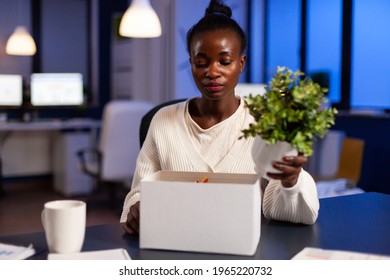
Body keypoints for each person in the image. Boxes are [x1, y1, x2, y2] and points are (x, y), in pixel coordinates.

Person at [120, 0, 319, 235]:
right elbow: (139, 191)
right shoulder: (163, 121)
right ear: (192, 64)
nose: (212, 72)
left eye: (224, 62)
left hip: (244, 249)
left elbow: (281, 210)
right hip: (177, 244)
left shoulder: (265, 122)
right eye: (201, 63)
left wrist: (290, 181)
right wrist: (137, 207)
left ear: (241, 63)